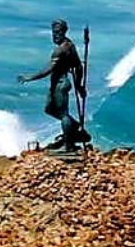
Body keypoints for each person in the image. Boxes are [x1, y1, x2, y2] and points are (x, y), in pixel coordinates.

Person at [17, 19, 90, 151]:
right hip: (58, 84)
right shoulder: (70, 45)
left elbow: (49, 70)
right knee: (49, 109)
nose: (55, 35)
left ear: (64, 32)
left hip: (60, 84)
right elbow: (78, 66)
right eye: (54, 32)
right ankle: (74, 127)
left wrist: (30, 77)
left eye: (58, 32)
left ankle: (69, 145)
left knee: (63, 114)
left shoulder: (60, 50)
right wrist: (78, 85)